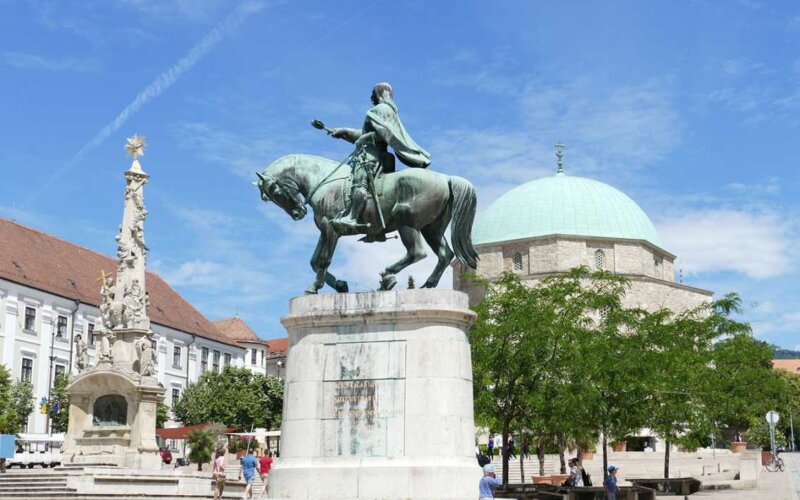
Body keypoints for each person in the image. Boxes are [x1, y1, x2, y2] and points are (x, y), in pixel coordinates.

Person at [328, 82, 431, 232]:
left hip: (372, 156)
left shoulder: (381, 109)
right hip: (378, 154)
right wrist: (344, 131)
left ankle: (352, 217)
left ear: (380, 93)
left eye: (373, 93)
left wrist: (365, 137)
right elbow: (368, 133)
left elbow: (385, 134)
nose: (371, 97)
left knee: (359, 183)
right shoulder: (386, 110)